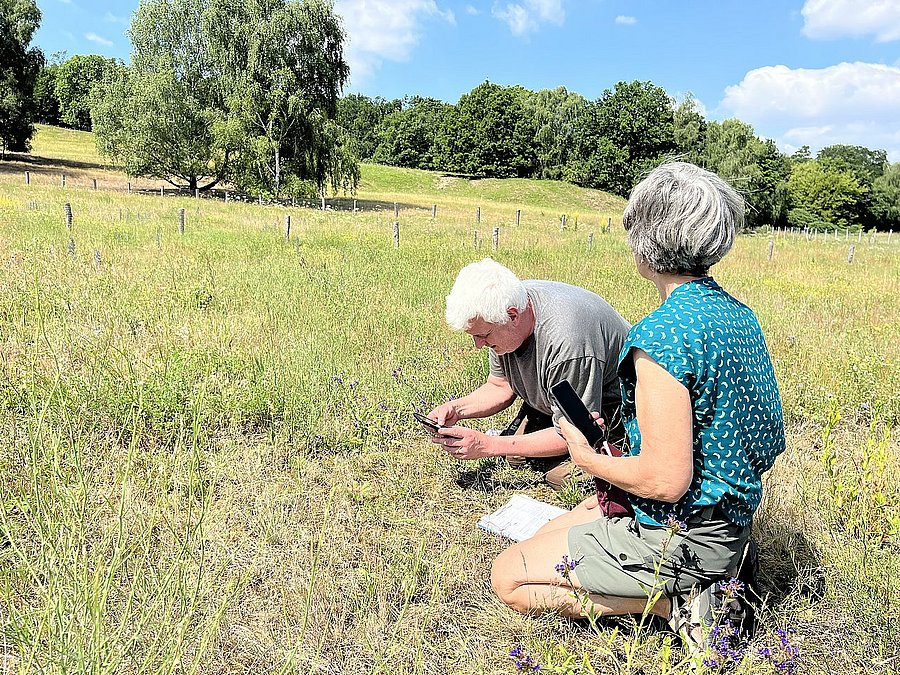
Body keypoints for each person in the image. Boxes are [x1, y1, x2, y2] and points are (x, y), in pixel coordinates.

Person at [490, 162, 786, 653]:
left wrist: (586, 459)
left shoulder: (661, 337)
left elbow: (666, 480)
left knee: (509, 576)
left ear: (645, 238)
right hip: (726, 516)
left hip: (682, 531)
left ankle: (690, 602)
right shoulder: (738, 315)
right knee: (550, 529)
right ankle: (724, 567)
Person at [427, 258, 630, 488]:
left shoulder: (568, 342)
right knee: (516, 455)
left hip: (611, 413)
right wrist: (456, 409)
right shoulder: (503, 309)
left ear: (513, 316)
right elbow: (500, 386)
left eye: (483, 336)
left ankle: (619, 457)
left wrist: (489, 445)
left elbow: (577, 431)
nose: (478, 345)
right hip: (559, 401)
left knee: (562, 477)